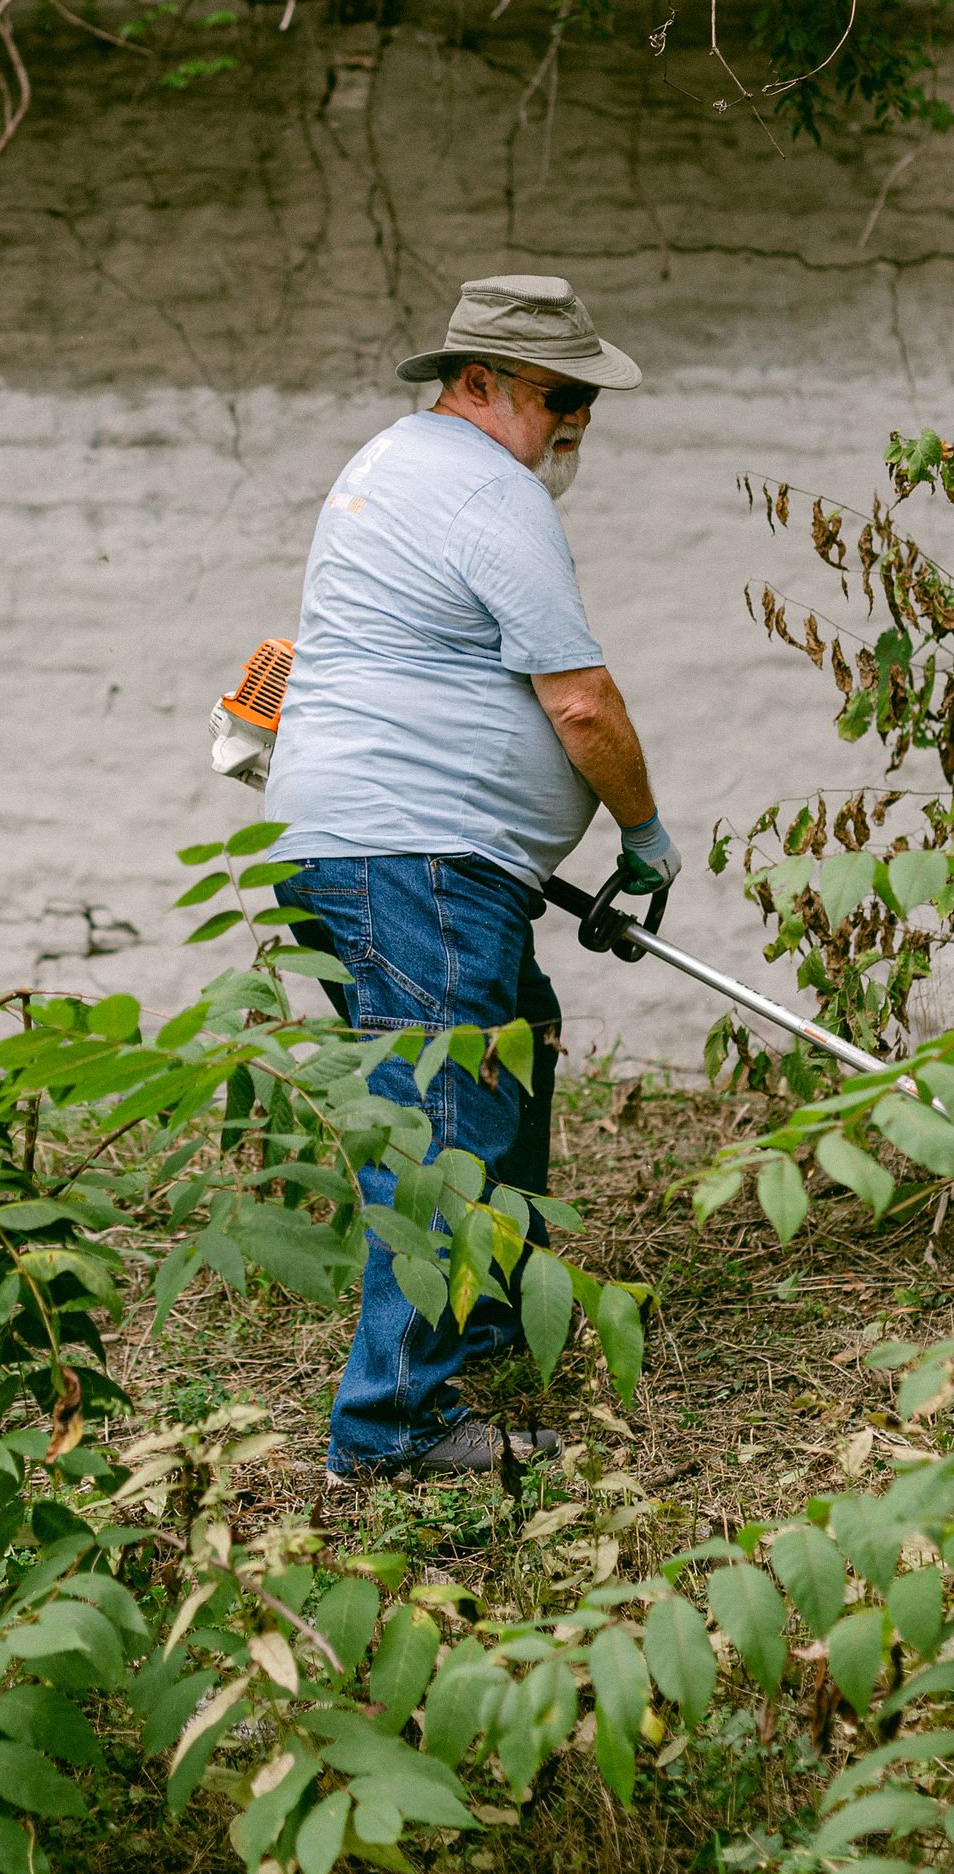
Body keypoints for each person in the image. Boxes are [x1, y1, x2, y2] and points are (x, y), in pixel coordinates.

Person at [268, 273, 679, 1480]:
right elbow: (581, 702)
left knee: (508, 1054)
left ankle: (484, 1314)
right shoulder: (482, 490)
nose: (576, 423)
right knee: (442, 1117)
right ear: (480, 383)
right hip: (415, 856)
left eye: (588, 400)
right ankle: (391, 1430)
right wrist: (642, 839)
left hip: (393, 851)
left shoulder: (390, 466)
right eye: (560, 396)